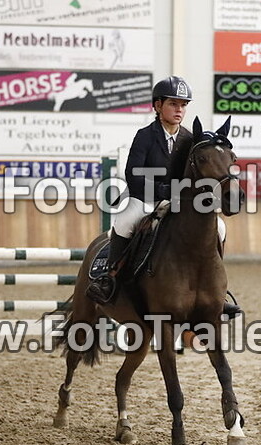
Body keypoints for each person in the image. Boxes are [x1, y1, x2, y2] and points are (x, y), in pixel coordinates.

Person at [86, 76, 241, 318]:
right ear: (158, 106)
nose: (179, 110)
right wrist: (162, 191)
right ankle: (110, 279)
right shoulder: (145, 136)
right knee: (124, 222)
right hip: (145, 198)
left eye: (183, 105)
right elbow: (133, 174)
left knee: (219, 227)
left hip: (179, 202)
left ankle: (216, 290)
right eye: (173, 104)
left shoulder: (189, 139)